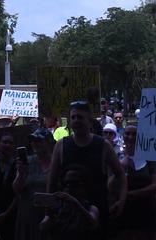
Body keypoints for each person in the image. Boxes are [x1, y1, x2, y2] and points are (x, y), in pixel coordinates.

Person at [47, 100, 126, 236]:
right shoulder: (61, 145)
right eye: (73, 117)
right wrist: (48, 211)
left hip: (98, 217)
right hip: (68, 218)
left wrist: (121, 200)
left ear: (89, 121)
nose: (76, 121)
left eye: (80, 117)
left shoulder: (103, 145)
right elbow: (52, 180)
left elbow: (121, 175)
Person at [113, 124, 156, 240]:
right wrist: (120, 167)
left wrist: (131, 194)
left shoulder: (149, 158)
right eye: (127, 133)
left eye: (134, 134)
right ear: (123, 136)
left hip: (146, 211)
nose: (131, 137)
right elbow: (110, 185)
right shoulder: (115, 157)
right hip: (124, 212)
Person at [13, 127, 54, 240]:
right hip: (27, 215)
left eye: (38, 141)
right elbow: (16, 189)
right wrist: (21, 174)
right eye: (33, 141)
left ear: (49, 142)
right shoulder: (27, 162)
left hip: (48, 216)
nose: (34, 144)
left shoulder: (57, 162)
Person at [39, 165, 100, 239]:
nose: (69, 186)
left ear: (84, 185)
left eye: (74, 183)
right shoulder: (58, 206)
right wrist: (50, 216)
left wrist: (75, 202)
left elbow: (93, 224)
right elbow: (43, 227)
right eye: (66, 183)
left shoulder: (90, 208)